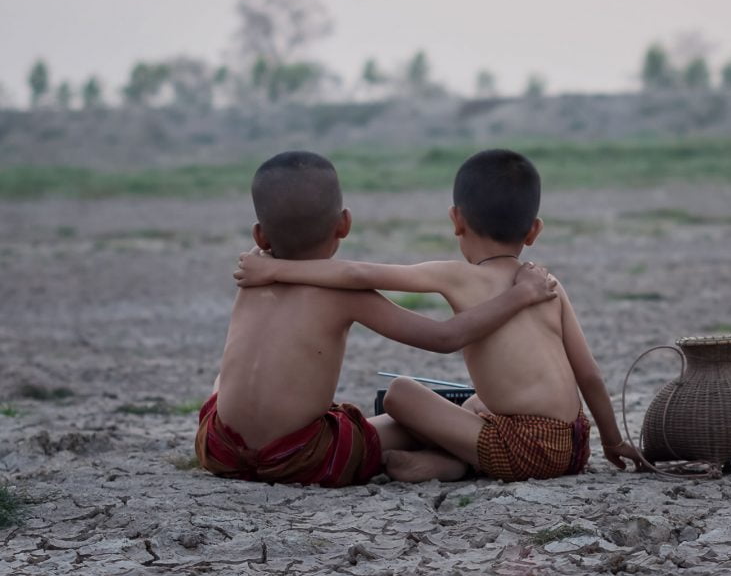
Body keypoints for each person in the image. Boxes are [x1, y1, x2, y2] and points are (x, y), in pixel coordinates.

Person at [235, 148, 645, 482]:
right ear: (534, 231)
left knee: (400, 392)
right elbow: (589, 375)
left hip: (520, 451)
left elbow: (357, 272)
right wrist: (611, 441)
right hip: (572, 445)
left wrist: (273, 268)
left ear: (456, 220)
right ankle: (450, 463)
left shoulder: (458, 276)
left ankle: (454, 463)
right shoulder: (547, 283)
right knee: (475, 404)